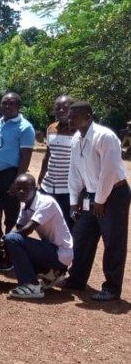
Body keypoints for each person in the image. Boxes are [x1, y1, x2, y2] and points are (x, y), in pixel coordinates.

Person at [64, 101, 130, 301]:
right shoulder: (76, 138)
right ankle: (76, 279)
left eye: (75, 115)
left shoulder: (105, 136)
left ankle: (111, 288)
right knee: (82, 236)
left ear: (89, 117)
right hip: (92, 195)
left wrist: (100, 201)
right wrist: (74, 200)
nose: (70, 118)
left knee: (113, 242)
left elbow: (108, 172)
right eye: (70, 115)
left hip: (114, 194)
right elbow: (74, 171)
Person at [4, 174, 73, 299]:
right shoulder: (26, 204)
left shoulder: (46, 202)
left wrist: (8, 239)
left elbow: (27, 229)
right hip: (52, 250)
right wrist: (7, 239)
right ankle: (52, 274)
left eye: (25, 188)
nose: (21, 191)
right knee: (11, 239)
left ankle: (31, 285)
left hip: (61, 253)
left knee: (12, 240)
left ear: (35, 189)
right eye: (18, 188)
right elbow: (18, 226)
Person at [0, 92, 35, 234]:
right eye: (4, 103)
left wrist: (16, 181)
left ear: (18, 106)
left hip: (10, 176)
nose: (7, 106)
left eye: (11, 103)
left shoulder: (25, 127)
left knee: (11, 215)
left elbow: (26, 156)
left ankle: (9, 246)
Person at [38, 95, 76, 231]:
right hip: (48, 187)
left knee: (67, 226)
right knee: (47, 225)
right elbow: (47, 155)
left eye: (65, 108)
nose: (60, 111)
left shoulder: (79, 132)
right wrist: (40, 180)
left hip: (67, 190)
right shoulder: (51, 128)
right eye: (58, 108)